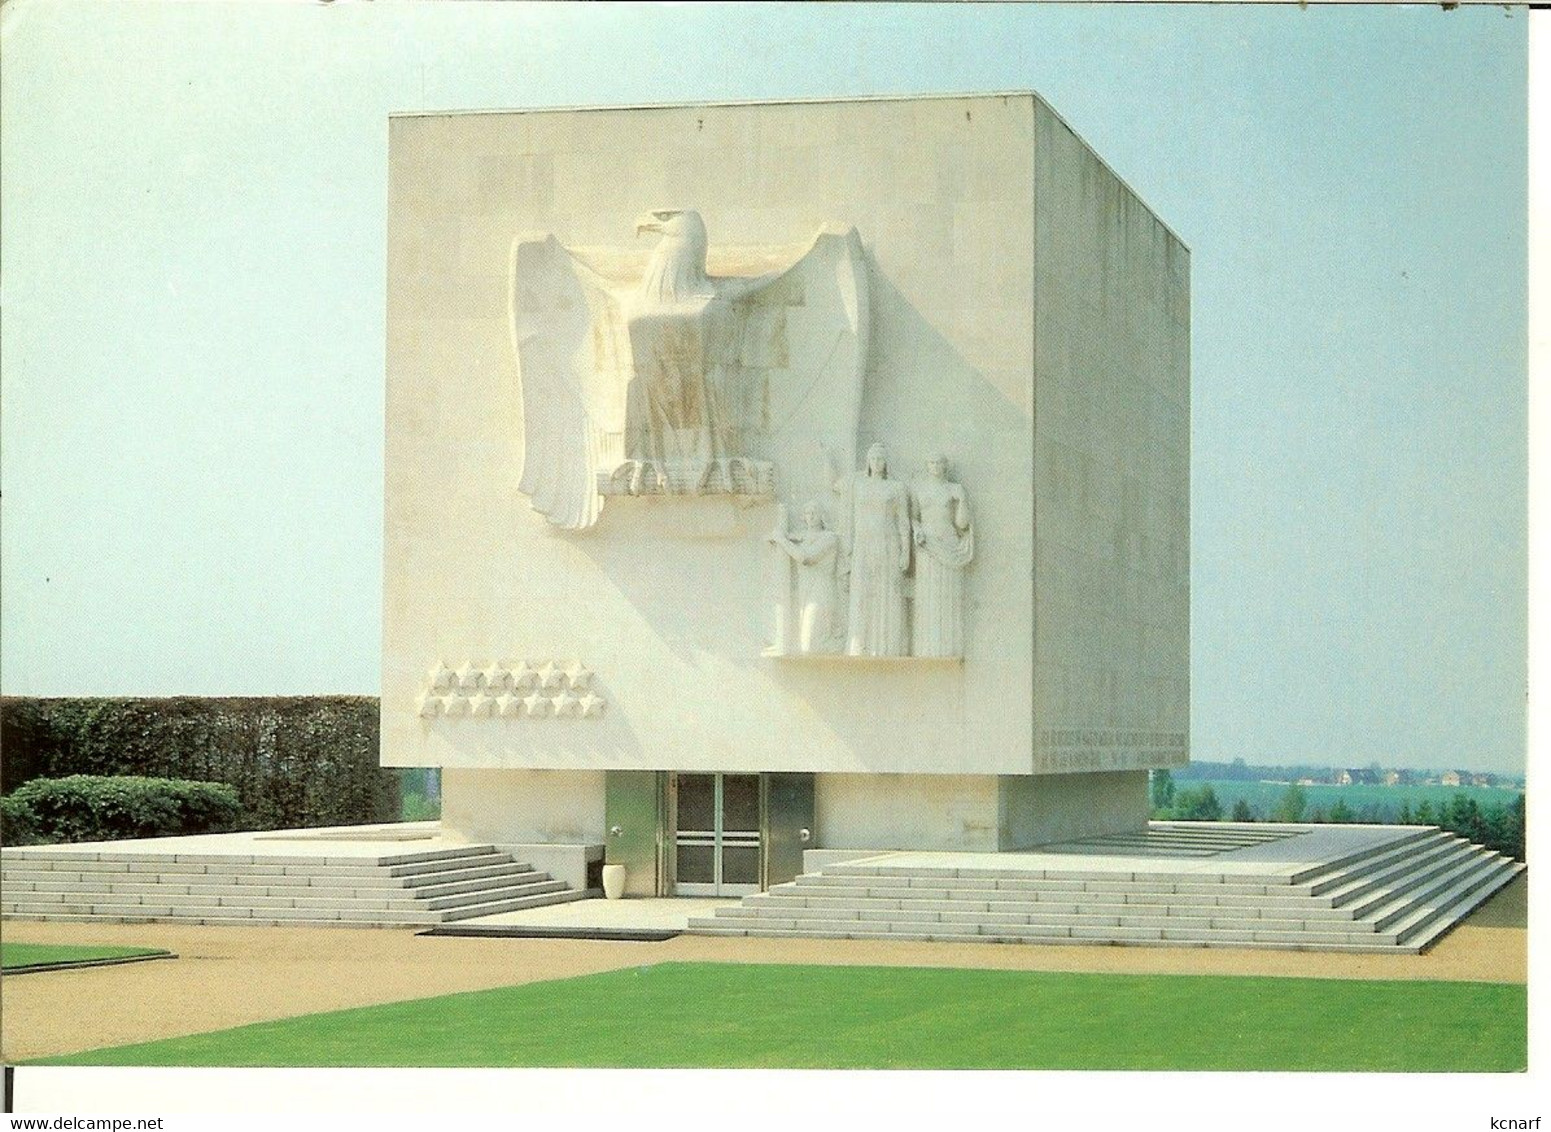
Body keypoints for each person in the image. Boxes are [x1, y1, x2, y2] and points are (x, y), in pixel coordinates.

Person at [844, 443, 911, 656]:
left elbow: (903, 522)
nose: (877, 463)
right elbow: (848, 509)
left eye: (881, 459)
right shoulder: (859, 485)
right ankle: (860, 644)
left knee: (888, 593)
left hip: (888, 544)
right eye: (873, 459)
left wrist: (906, 551)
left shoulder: (896, 487)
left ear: (886, 463)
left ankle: (888, 645)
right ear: (868, 462)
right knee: (863, 594)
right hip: (864, 545)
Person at [910, 454, 973, 657]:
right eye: (932, 463)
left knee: (948, 594)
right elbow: (913, 517)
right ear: (927, 466)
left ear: (945, 466)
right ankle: (926, 648)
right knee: (928, 593)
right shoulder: (919, 490)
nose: (935, 466)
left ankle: (948, 647)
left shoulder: (952, 490)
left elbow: (962, 524)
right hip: (927, 543)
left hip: (948, 541)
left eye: (939, 463)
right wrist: (917, 530)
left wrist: (962, 498)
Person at [769, 502, 842, 654]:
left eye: (815, 512)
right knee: (805, 645)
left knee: (809, 646)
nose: (811, 516)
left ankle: (838, 640)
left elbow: (806, 558)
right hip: (805, 593)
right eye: (808, 513)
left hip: (820, 594)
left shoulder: (830, 538)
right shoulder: (801, 538)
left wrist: (782, 540)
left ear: (822, 516)